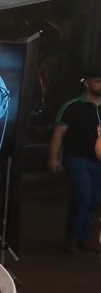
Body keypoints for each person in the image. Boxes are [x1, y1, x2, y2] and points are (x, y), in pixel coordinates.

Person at [48, 67, 101, 253]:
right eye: (98, 81)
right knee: (82, 196)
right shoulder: (73, 106)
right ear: (87, 83)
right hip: (77, 159)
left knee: (94, 200)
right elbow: (59, 133)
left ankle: (83, 238)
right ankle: (72, 238)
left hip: (99, 161)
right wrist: (53, 158)